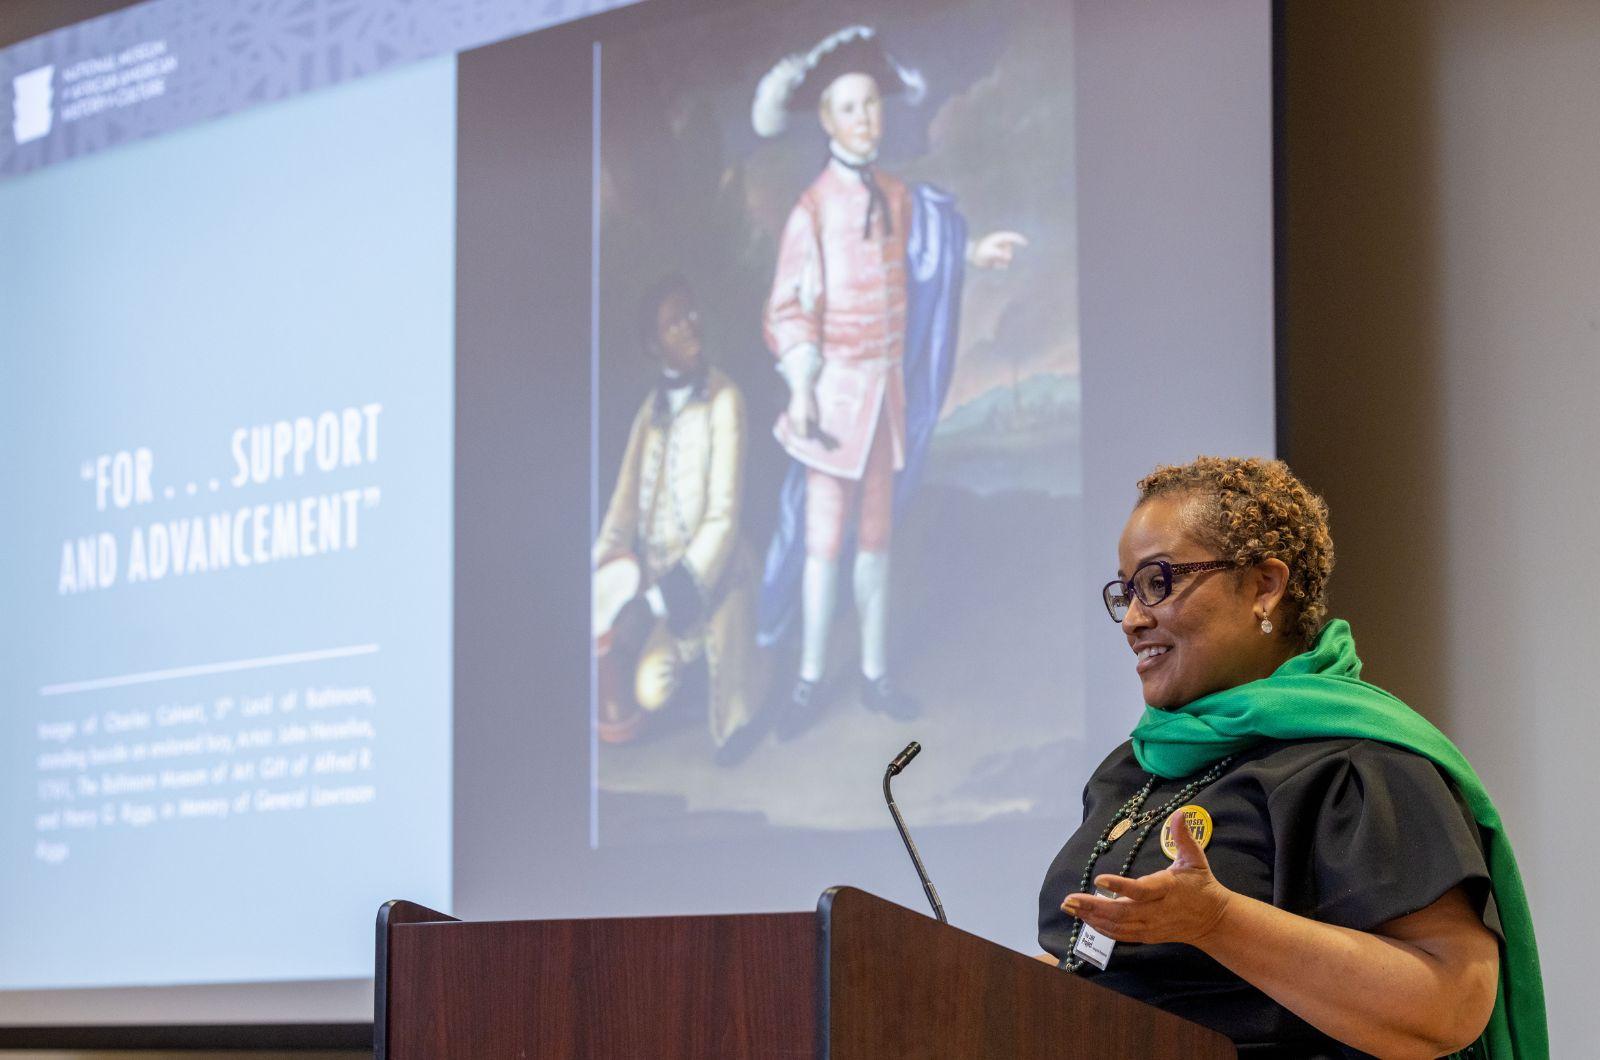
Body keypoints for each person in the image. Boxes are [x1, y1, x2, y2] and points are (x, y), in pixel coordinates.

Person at [1037, 457, 1545, 1058]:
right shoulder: (1134, 767)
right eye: (1125, 591)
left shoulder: (1359, 763)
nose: (1131, 619)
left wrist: (1217, 921)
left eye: (1158, 582)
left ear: (1264, 586)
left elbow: (1451, 1002)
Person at [751, 25, 1027, 737]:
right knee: (822, 543)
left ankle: (873, 675)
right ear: (826, 120)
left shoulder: (900, 198)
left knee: (876, 540)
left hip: (884, 399)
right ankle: (810, 682)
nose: (864, 119)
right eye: (849, 108)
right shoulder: (811, 209)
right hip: (830, 401)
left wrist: (976, 251)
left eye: (871, 105)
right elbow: (787, 306)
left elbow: (931, 253)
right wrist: (804, 385)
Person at [592, 277, 762, 767]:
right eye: (674, 323)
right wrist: (599, 582)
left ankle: (745, 676)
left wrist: (655, 601)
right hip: (659, 583)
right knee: (650, 690)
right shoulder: (649, 412)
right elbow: (621, 510)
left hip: (721, 576)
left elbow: (723, 520)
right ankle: (688, 673)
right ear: (654, 343)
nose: (690, 327)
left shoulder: (726, 399)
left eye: (691, 314)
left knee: (734, 719)